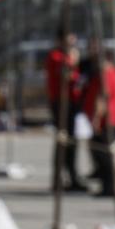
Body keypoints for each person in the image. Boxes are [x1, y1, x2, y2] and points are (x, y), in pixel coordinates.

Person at [45, 32, 85, 191]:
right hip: (61, 102)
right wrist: (73, 62)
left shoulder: (67, 56)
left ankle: (73, 175)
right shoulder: (56, 57)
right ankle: (58, 178)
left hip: (73, 102)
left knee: (71, 142)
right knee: (62, 141)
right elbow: (65, 75)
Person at [84, 50, 115, 197]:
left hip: (107, 119)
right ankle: (111, 184)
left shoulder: (106, 75)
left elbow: (102, 97)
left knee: (103, 153)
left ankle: (109, 185)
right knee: (106, 152)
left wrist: (96, 118)